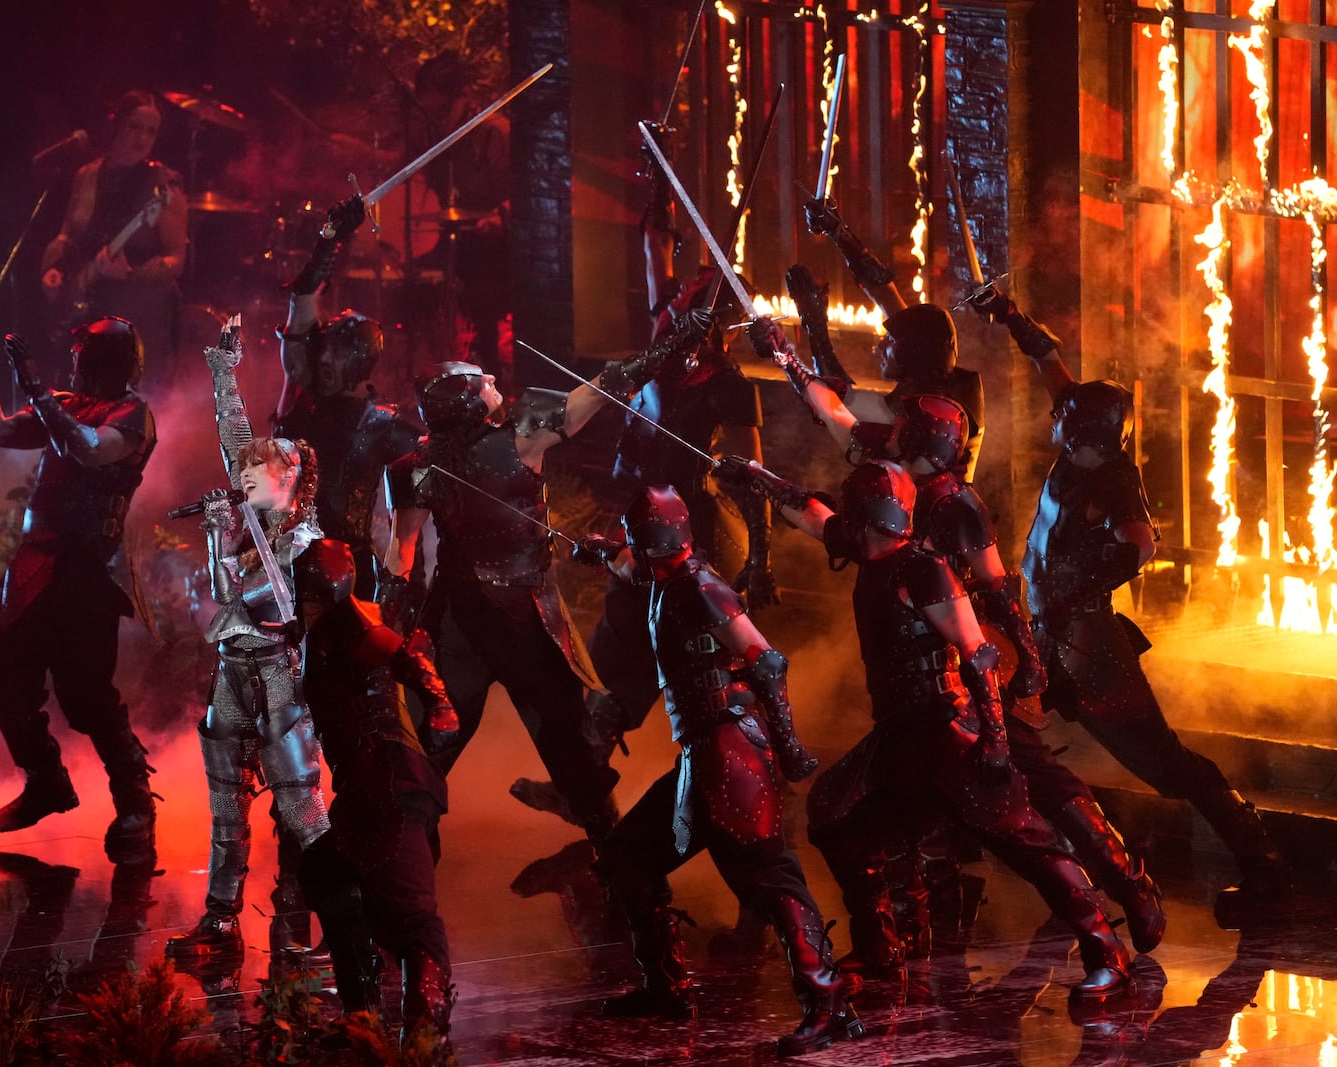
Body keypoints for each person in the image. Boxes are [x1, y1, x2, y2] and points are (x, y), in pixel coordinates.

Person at [753, 305, 1167, 955]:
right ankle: (903, 923)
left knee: (1038, 793)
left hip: (969, 663)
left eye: (905, 442)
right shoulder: (898, 480)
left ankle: (1125, 890)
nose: (889, 449)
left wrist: (1025, 661)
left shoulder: (954, 505)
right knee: (898, 798)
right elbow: (833, 419)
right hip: (916, 672)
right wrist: (784, 356)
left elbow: (997, 588)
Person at [716, 457, 1134, 1003]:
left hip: (948, 733)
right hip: (899, 736)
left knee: (1026, 845)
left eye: (855, 513)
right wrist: (758, 477)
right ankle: (880, 947)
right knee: (837, 821)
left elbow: (978, 655)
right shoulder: (868, 546)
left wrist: (995, 744)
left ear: (870, 516)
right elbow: (815, 515)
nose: (845, 522)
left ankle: (1108, 955)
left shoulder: (923, 569)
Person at [970, 286, 1291, 897]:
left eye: (1065, 414)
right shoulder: (1078, 447)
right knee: (1001, 736)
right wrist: (1010, 312)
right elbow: (1048, 361)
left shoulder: (1113, 481)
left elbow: (1141, 545)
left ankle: (1264, 866)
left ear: (1084, 428)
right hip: (1047, 633)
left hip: (1088, 649)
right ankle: (1057, 868)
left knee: (1163, 763)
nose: (1053, 412)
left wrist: (1069, 589)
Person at [511, 127, 775, 828]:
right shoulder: (663, 345)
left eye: (688, 305)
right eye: (674, 302)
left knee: (705, 671)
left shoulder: (730, 386)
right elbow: (652, 247)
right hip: (643, 524)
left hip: (700, 535)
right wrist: (658, 180)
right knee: (608, 653)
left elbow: (750, 475)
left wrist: (762, 558)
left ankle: (747, 791)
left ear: (711, 326)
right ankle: (582, 784)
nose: (672, 305)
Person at [381, 313, 713, 846]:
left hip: (460, 617)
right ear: (468, 402)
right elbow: (602, 392)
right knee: (559, 737)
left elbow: (400, 558)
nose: (494, 381)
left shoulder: (414, 464)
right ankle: (616, 860)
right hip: (517, 622)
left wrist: (394, 628)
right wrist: (671, 346)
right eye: (483, 382)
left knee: (444, 738)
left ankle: (401, 843)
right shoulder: (522, 440)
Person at [591, 486, 863, 1058]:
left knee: (770, 879)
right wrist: (603, 555)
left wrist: (788, 747)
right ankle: (666, 988)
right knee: (628, 854)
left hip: (732, 752)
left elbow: (766, 660)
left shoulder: (702, 585)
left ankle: (829, 1005)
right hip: (701, 754)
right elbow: (641, 572)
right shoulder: (669, 579)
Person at [0, 310, 158, 865]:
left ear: (100, 361)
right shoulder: (64, 403)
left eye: (80, 356)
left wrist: (39, 389)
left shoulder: (133, 414)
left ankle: (136, 804)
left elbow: (88, 448)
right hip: (36, 564)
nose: (72, 363)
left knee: (88, 698)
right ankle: (45, 779)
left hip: (86, 572)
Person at [163, 431, 331, 962]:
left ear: (291, 475)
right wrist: (219, 535)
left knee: (304, 814)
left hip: (278, 674)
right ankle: (218, 920)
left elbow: (254, 602)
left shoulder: (307, 540)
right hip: (231, 670)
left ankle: (348, 927)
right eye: (242, 464)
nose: (245, 473)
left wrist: (226, 539)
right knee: (225, 807)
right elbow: (223, 596)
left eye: (259, 464)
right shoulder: (250, 530)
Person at [293, 539, 459, 1050]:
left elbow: (400, 650)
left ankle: (423, 1041)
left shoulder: (345, 619)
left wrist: (438, 703)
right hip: (370, 784)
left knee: (412, 918)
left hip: (389, 781)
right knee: (327, 874)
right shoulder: (327, 629)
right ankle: (363, 1019)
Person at [276, 197, 423, 599]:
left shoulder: (386, 427)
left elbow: (415, 518)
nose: (322, 358)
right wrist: (331, 237)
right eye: (321, 348)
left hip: (347, 573)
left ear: (359, 363)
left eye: (334, 353)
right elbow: (303, 297)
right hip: (281, 561)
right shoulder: (301, 392)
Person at [795, 202, 985, 480]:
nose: (879, 348)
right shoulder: (936, 367)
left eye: (889, 341)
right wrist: (839, 233)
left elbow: (835, 402)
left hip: (919, 518)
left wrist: (815, 327)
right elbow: (886, 294)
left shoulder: (930, 407)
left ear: (913, 351)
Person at [40, 89, 188, 385]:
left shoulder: (162, 185)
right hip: (88, 313)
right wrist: (52, 270)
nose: (142, 138)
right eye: (135, 126)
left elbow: (176, 260)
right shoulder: (88, 176)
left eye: (151, 132)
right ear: (116, 124)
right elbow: (66, 236)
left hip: (137, 319)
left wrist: (131, 273)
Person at [406, 54, 512, 377]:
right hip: (452, 240)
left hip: (493, 248)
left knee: (480, 295)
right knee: (409, 281)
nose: (435, 120)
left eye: (441, 110)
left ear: (462, 97)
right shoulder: (436, 137)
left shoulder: (494, 133)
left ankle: (491, 375)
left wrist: (499, 216)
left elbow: (524, 192)